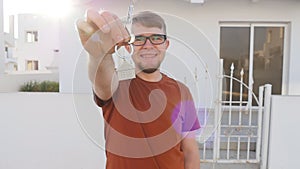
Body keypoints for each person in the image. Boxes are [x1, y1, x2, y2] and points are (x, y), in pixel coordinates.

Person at [77, 9, 201, 169]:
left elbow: (191, 151)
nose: (148, 46)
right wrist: (98, 54)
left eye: (156, 38)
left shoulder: (182, 91)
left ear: (166, 44)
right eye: (140, 39)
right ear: (130, 44)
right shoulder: (118, 86)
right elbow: (102, 78)